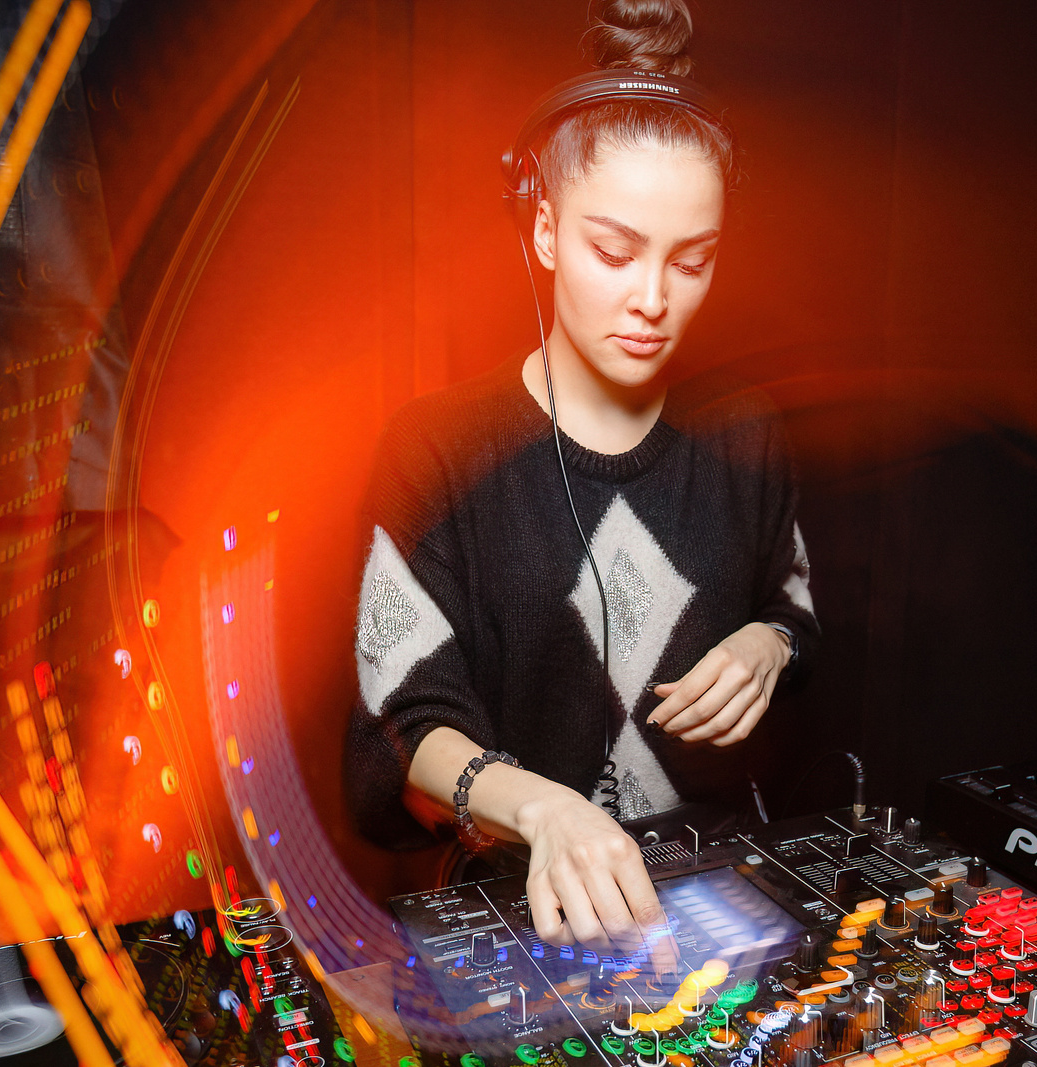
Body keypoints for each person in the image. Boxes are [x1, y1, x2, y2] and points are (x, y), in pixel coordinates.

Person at [343, 0, 817, 965]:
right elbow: (397, 725)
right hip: (522, 924)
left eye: (693, 261)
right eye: (614, 251)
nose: (653, 299)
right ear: (546, 230)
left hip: (715, 916)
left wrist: (769, 644)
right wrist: (544, 810)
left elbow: (795, 609)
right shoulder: (437, 449)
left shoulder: (748, 432)